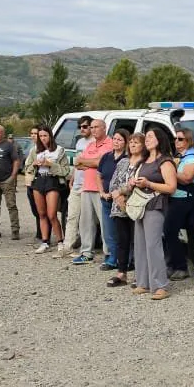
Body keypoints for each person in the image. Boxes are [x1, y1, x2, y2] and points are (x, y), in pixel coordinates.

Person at [127, 128, 178, 300]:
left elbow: (171, 187)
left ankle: (160, 285)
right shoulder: (144, 160)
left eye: (150, 136)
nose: (146, 139)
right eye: (146, 137)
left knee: (153, 245)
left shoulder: (165, 161)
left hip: (156, 205)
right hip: (141, 205)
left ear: (159, 139)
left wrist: (149, 183)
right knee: (140, 244)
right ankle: (143, 282)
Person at [165, 126, 194, 281]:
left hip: (185, 198)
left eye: (180, 139)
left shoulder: (190, 157)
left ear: (188, 141)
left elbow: (188, 177)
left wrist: (170, 171)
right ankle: (174, 265)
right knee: (173, 233)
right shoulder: (179, 156)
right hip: (176, 198)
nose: (176, 141)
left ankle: (181, 267)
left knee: (170, 231)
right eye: (175, 138)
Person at [107, 132, 145, 287]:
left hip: (135, 207)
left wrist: (122, 192)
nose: (133, 145)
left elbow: (134, 185)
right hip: (119, 207)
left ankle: (140, 275)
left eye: (136, 142)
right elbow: (112, 183)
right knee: (122, 241)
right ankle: (121, 273)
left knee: (138, 242)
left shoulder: (144, 163)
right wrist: (118, 196)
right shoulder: (123, 161)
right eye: (131, 142)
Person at [72, 119, 113, 265]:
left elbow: (100, 162)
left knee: (105, 223)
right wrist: (89, 162)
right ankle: (86, 252)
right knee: (86, 223)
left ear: (104, 128)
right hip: (87, 187)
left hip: (101, 188)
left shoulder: (109, 144)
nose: (93, 130)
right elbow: (77, 163)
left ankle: (109, 253)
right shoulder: (90, 144)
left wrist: (86, 161)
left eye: (96, 127)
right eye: (92, 127)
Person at [28, 126, 68, 255]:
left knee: (52, 214)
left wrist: (50, 164)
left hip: (52, 180)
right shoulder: (35, 150)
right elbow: (27, 168)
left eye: (45, 135)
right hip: (39, 180)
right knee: (41, 214)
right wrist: (34, 164)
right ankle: (45, 241)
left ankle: (60, 241)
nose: (42, 138)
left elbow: (65, 170)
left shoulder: (59, 150)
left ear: (50, 136)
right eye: (40, 136)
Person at [62, 116, 93, 258]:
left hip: (89, 184)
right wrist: (73, 177)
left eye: (85, 126)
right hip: (77, 183)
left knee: (88, 219)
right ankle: (67, 245)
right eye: (80, 126)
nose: (82, 129)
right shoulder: (79, 142)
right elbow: (77, 162)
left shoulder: (94, 143)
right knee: (71, 215)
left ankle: (87, 249)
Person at [97, 128, 128, 271]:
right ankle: (112, 258)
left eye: (120, 139)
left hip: (120, 200)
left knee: (121, 232)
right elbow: (99, 175)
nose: (116, 142)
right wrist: (102, 192)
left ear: (125, 142)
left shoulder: (127, 159)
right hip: (106, 199)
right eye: (114, 139)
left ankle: (124, 260)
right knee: (108, 231)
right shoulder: (106, 157)